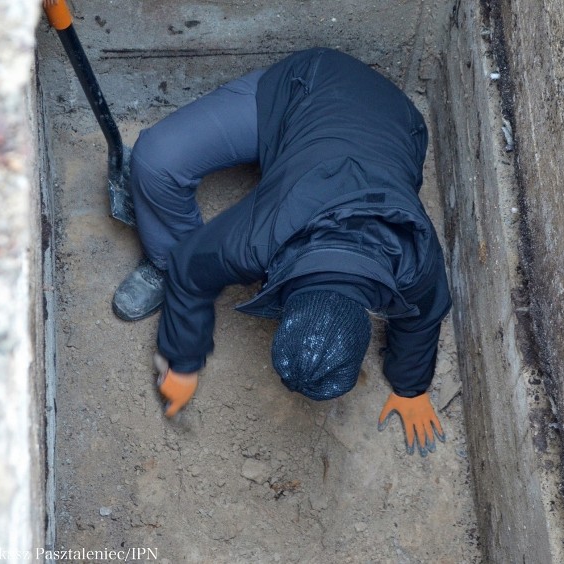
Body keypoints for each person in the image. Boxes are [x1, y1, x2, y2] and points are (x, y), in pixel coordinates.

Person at [113, 48, 452, 457]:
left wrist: (410, 387)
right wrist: (182, 359)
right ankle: (157, 261)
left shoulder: (414, 254)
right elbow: (191, 267)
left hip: (397, 123)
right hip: (304, 91)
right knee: (155, 159)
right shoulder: (258, 239)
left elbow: (425, 314)